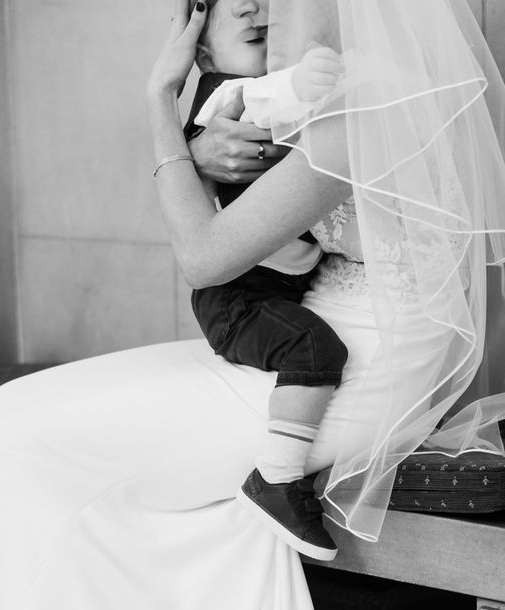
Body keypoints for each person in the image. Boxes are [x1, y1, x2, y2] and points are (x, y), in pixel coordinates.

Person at [0, 0, 505, 610]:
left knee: (30, 439)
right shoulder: (312, 93)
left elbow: (204, 258)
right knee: (11, 411)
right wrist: (200, 147)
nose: (263, 9)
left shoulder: (364, 103)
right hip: (313, 332)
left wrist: (159, 100)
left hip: (366, 362)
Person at [174, 1, 347, 561]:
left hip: (275, 289)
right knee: (315, 348)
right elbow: (256, 102)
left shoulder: (275, 83)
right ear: (203, 53)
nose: (251, 9)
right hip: (236, 298)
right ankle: (277, 479)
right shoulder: (220, 96)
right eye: (230, 10)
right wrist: (300, 81)